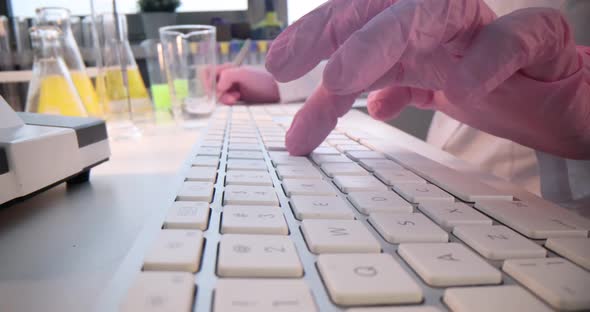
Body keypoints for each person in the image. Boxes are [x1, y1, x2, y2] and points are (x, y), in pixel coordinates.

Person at [212, 0, 590, 210]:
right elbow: (395, 40)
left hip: (538, 211)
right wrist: (284, 83)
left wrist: (581, 101)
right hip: (438, 182)